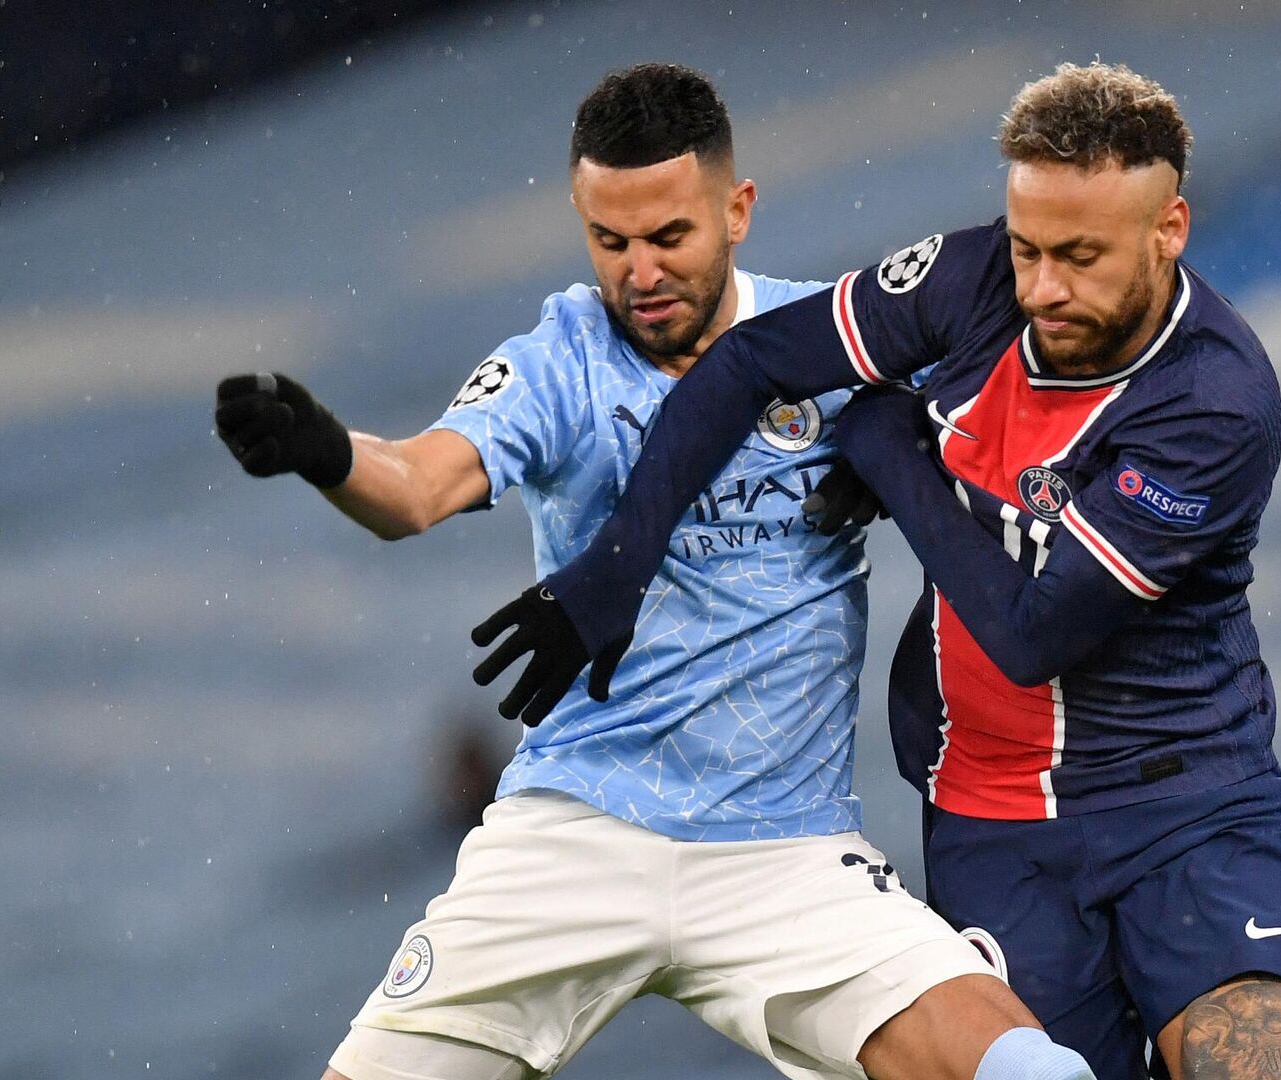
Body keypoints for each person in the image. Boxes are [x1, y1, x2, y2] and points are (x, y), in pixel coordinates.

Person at [213, 64, 1100, 1080]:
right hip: (574, 835)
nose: (639, 271)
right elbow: (417, 486)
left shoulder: (832, 341)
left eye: (669, 237)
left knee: (1031, 1072)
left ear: (738, 211)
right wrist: (330, 453)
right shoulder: (560, 362)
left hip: (787, 855)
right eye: (610, 241)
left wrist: (897, 443)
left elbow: (1019, 443)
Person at [473, 62, 1281, 1079]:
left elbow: (1032, 633)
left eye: (1082, 257)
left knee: (1254, 1061)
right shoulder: (968, 283)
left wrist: (891, 451)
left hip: (1187, 793)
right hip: (991, 820)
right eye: (1026, 248)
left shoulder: (1214, 400)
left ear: (1168, 229)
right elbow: (751, 362)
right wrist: (618, 565)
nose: (1042, 288)